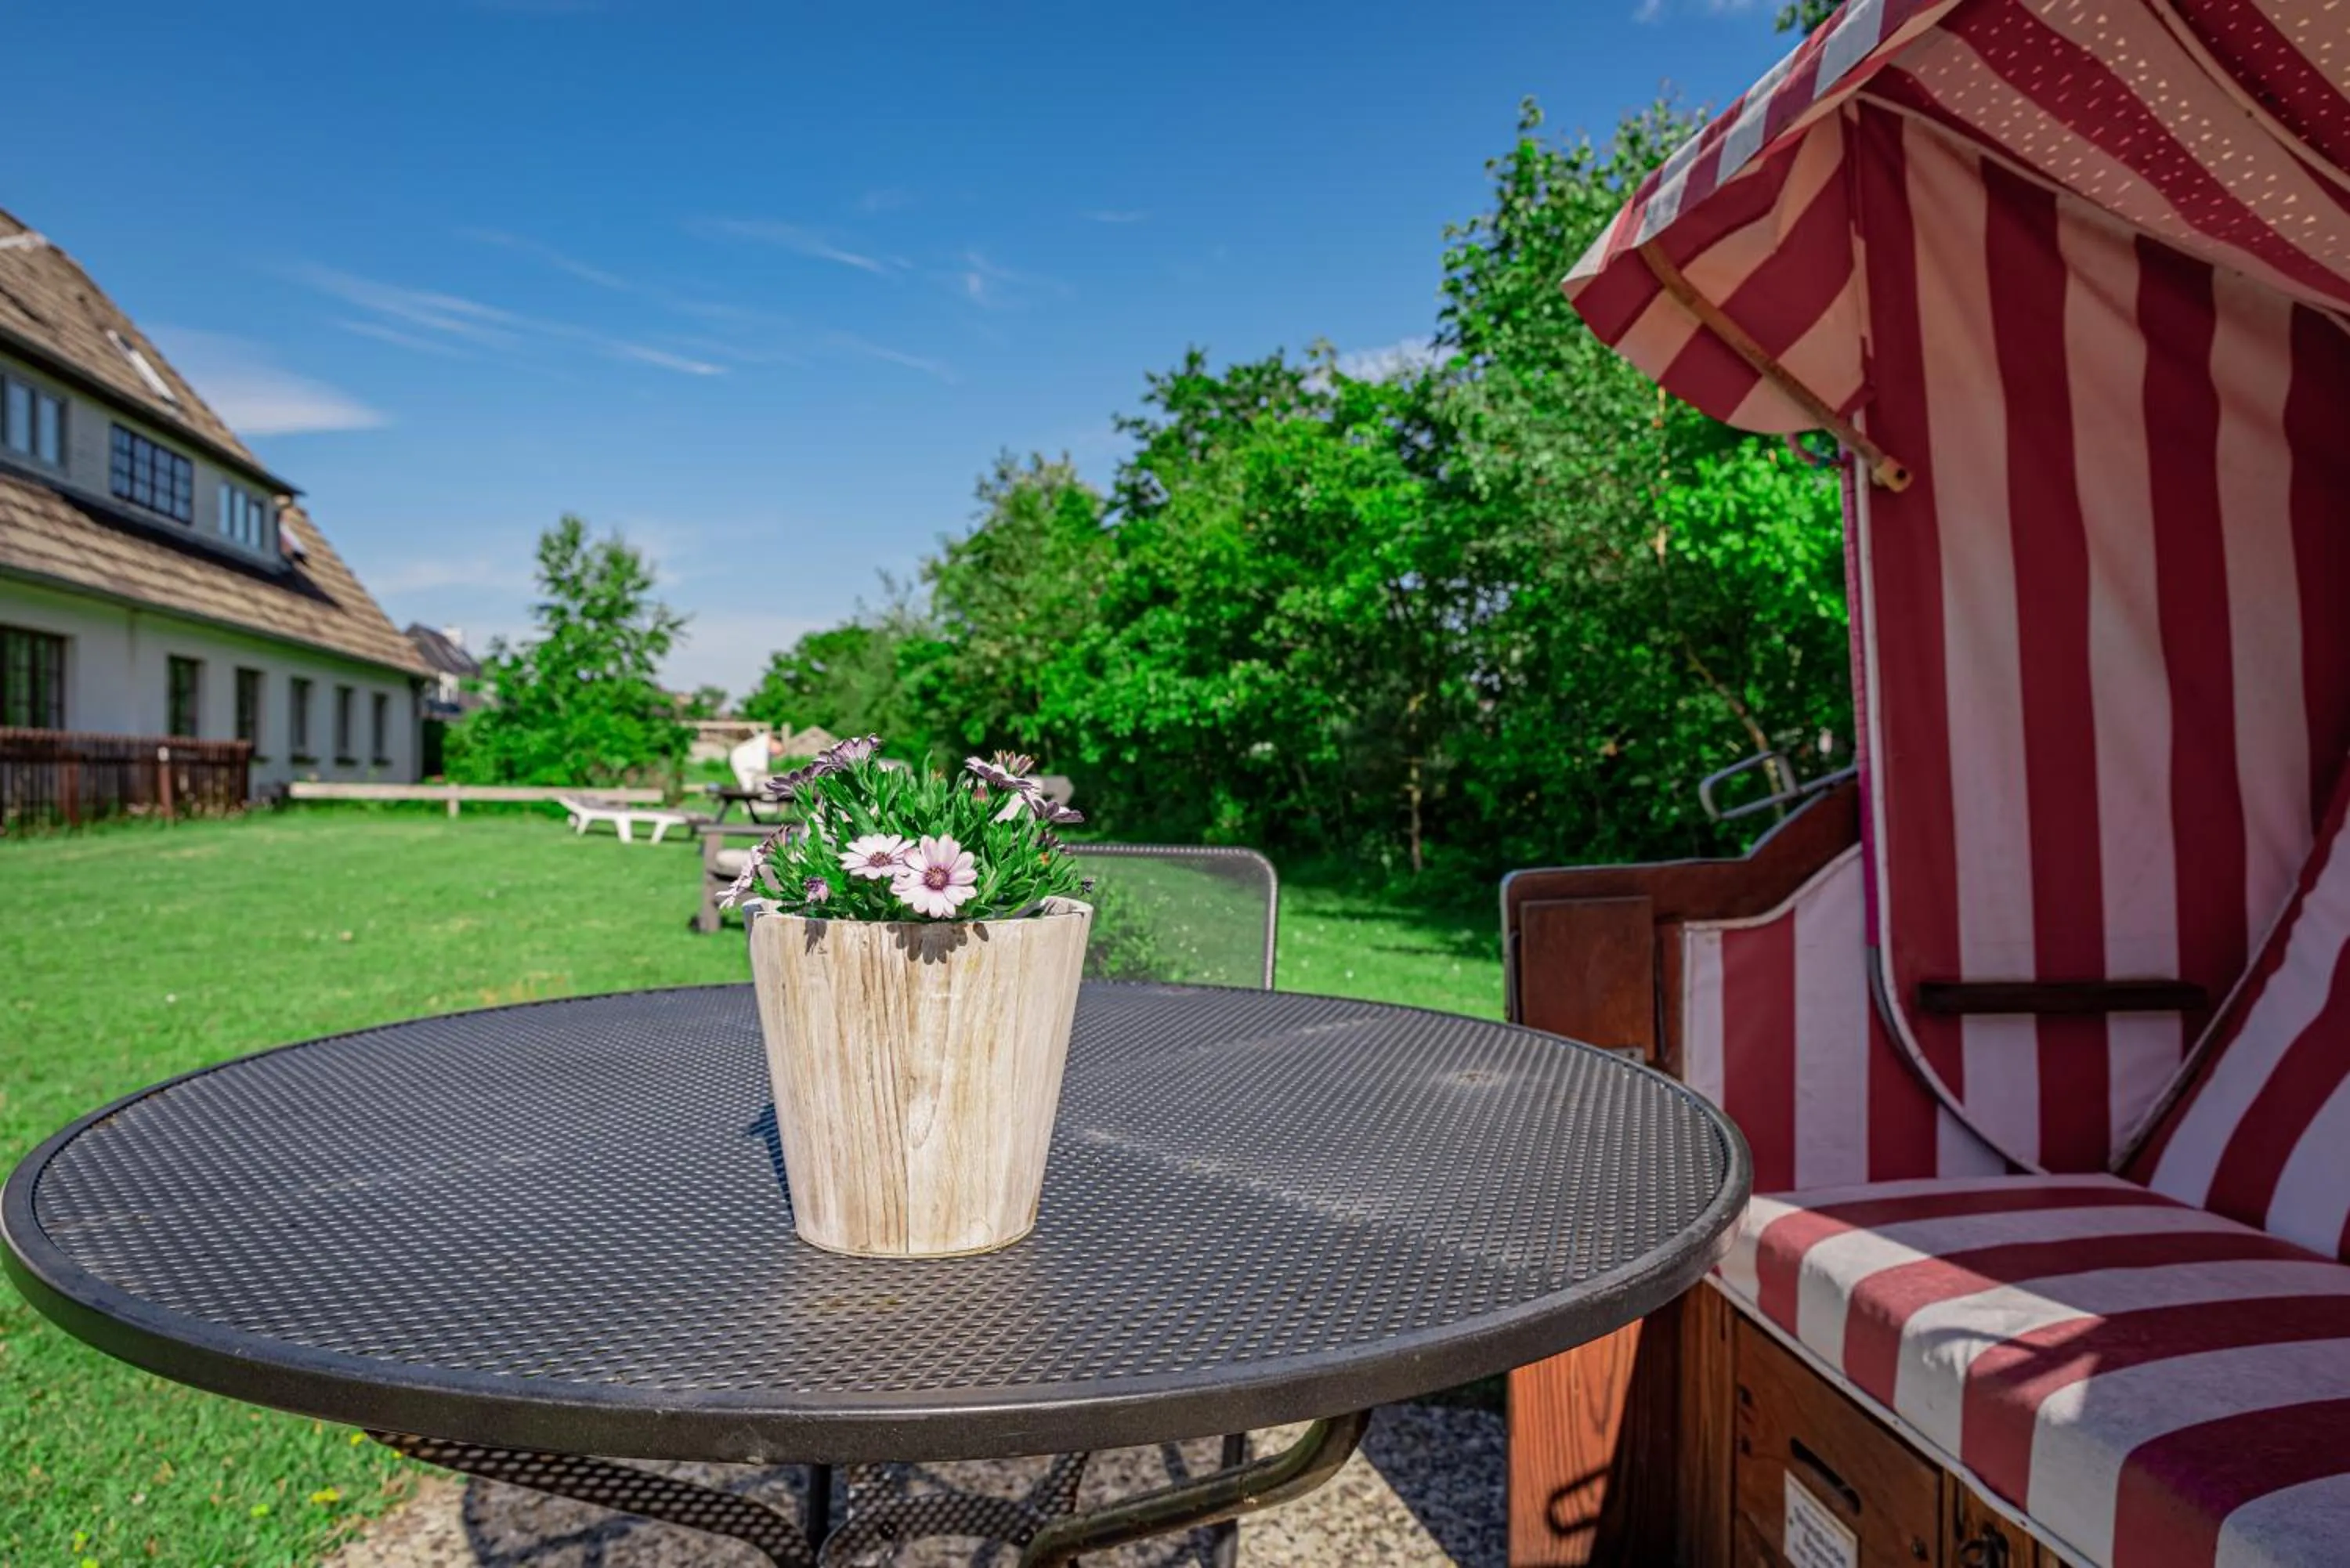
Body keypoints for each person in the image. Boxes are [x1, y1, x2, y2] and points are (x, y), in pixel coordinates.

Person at [728, 729, 784, 793]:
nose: (775, 755)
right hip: (743, 764)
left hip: (746, 767)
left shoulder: (764, 746)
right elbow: (762, 767)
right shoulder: (762, 745)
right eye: (778, 752)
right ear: (776, 742)